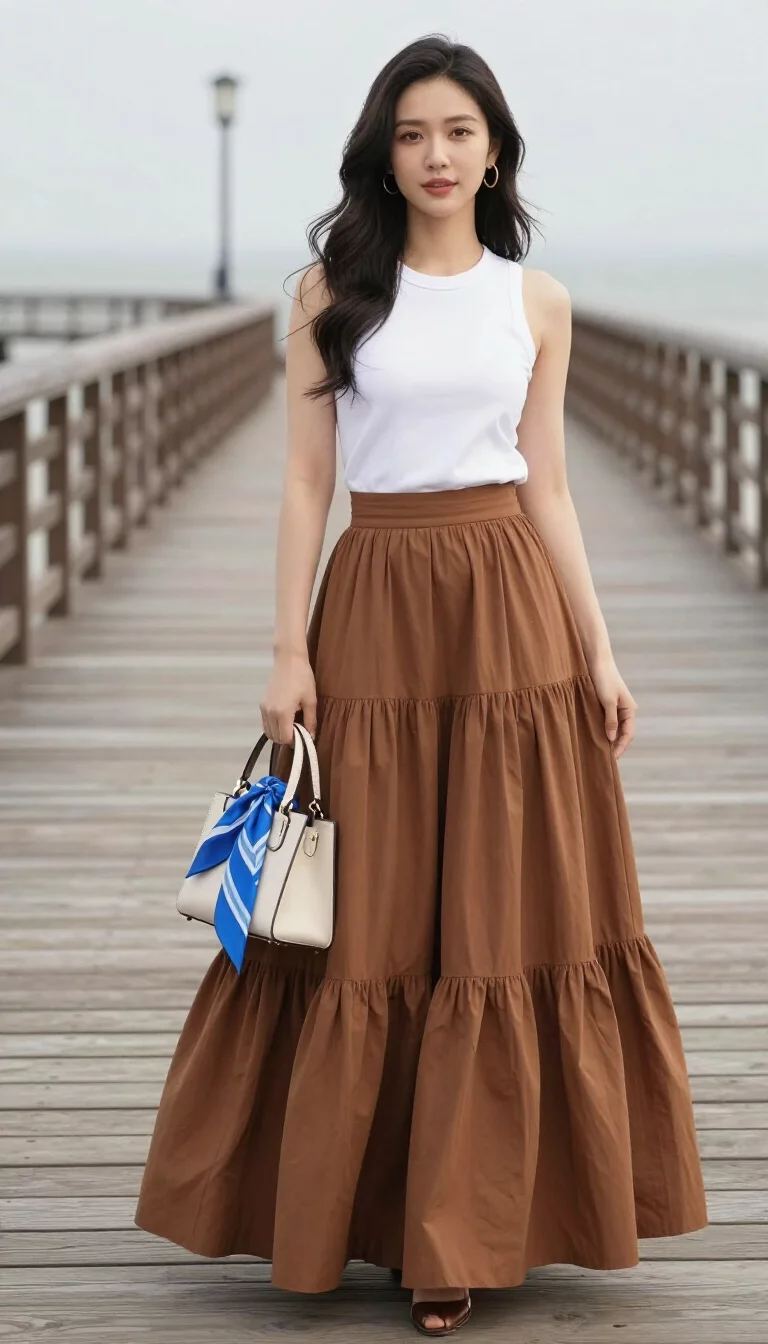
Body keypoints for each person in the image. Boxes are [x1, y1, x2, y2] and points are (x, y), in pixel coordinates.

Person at [134, 33, 708, 1337]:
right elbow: (301, 483)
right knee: (376, 911)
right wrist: (287, 652)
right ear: (382, 153)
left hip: (509, 612)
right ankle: (366, 1212)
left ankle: (457, 1234)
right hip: (379, 602)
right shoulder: (331, 290)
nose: (437, 154)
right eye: (412, 133)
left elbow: (548, 489)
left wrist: (600, 649)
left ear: (494, 147)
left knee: (501, 910)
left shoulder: (535, 300)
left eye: (458, 131)